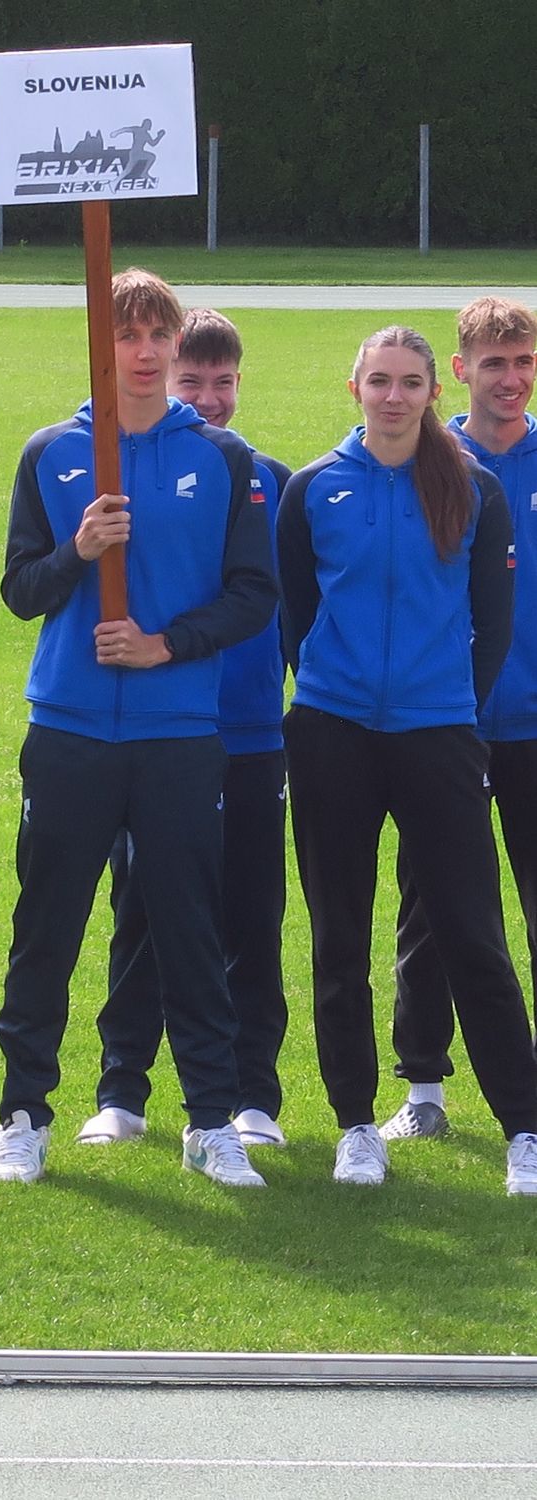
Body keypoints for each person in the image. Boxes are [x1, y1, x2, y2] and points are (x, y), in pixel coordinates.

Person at [0, 267, 274, 1189]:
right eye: (127, 336)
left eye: (159, 336)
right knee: (48, 927)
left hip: (179, 732)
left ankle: (210, 1120)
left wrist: (165, 646)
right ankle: (24, 1117)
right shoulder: (51, 453)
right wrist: (78, 551)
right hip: (71, 728)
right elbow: (19, 590)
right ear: (98, 345)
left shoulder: (222, 459)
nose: (145, 354)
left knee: (189, 928)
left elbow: (254, 595)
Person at [278, 325, 537, 1195]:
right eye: (379, 381)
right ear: (354, 387)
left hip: (439, 735)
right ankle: (356, 1125)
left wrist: (446, 701)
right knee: (339, 940)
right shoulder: (314, 487)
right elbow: (296, 616)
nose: (394, 397)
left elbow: (492, 622)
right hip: (332, 736)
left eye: (410, 383)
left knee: (474, 935)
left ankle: (525, 1129)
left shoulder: (474, 488)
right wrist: (336, 691)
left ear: (433, 392)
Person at [77, 309, 293, 1151]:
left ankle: (252, 1097)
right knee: (141, 915)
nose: (208, 397)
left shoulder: (268, 478)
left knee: (252, 915)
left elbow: (290, 608)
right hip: (159, 735)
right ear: (163, 380)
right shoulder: (133, 471)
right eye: (191, 381)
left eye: (223, 382)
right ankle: (122, 1089)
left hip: (250, 736)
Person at [384, 298, 537, 1143]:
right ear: (461, 370)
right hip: (445, 723)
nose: (510, 379)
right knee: (433, 911)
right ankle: (424, 1091)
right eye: (494, 363)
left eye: (523, 362)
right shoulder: (428, 461)